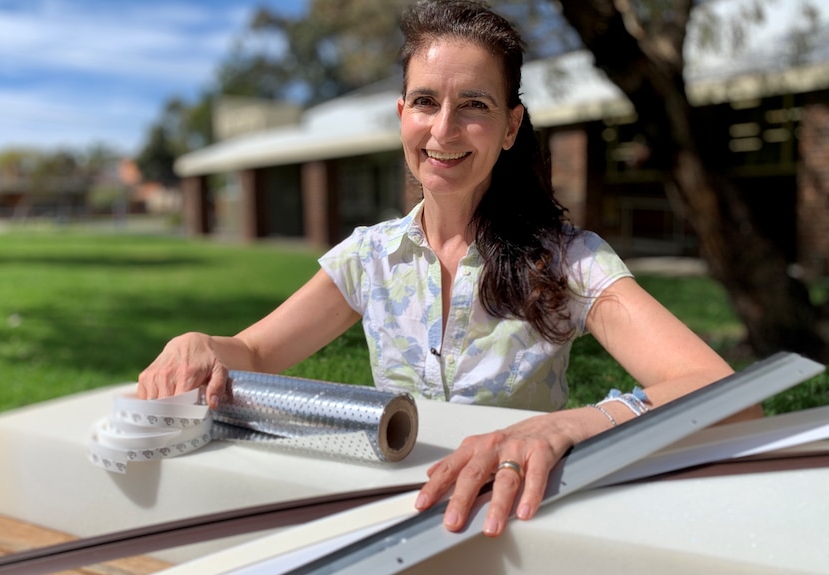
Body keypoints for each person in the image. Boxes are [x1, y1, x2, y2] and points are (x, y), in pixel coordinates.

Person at [139, 0, 757, 538]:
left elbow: (727, 397)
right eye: (427, 102)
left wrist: (569, 426)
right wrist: (199, 344)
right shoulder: (369, 257)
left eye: (475, 105)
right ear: (402, 112)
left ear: (511, 126)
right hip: (391, 518)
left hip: (520, 522)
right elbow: (251, 349)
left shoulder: (569, 260)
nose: (444, 129)